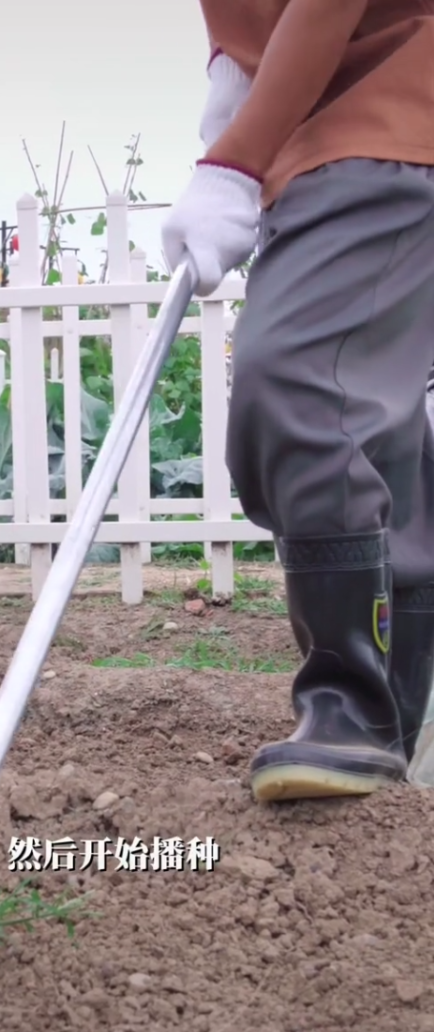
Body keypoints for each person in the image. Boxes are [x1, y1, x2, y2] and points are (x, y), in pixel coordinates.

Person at [161, 1, 434, 803]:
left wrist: (234, 160)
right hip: (329, 140)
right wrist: (234, 98)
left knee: (296, 383)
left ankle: (351, 707)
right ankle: (392, 722)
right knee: (379, 433)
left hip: (390, 117)